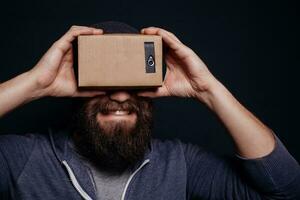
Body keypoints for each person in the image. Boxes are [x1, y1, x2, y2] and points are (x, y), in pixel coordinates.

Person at [0, 21, 299, 200]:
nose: (119, 96)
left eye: (133, 82)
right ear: (76, 86)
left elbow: (286, 190)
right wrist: (34, 83)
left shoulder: (179, 164)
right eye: (104, 79)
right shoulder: (24, 159)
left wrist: (207, 89)